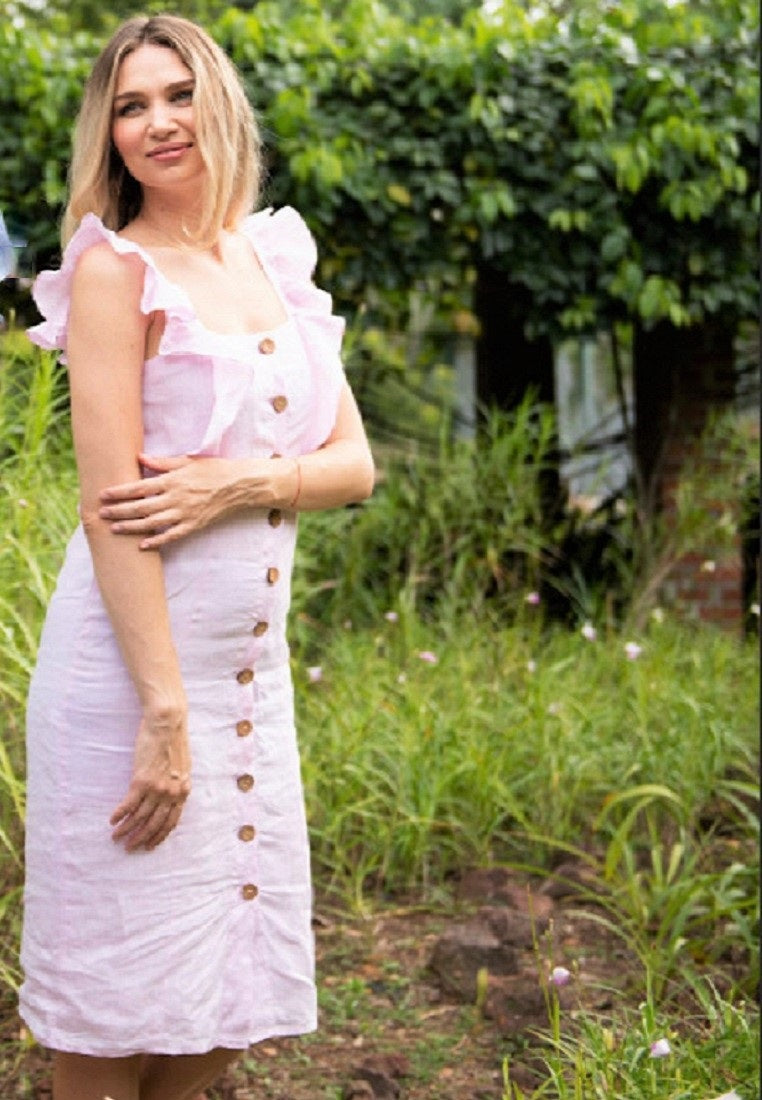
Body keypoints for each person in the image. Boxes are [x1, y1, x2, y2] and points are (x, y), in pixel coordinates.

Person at [21, 14, 374, 1100]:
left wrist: (236, 481)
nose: (158, 122)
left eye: (178, 94)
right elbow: (112, 509)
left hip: (249, 687)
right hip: (134, 686)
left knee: (224, 1001)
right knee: (112, 1010)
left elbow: (353, 464)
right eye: (130, 107)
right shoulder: (113, 273)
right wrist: (164, 712)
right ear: (109, 135)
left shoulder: (273, 258)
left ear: (219, 102)